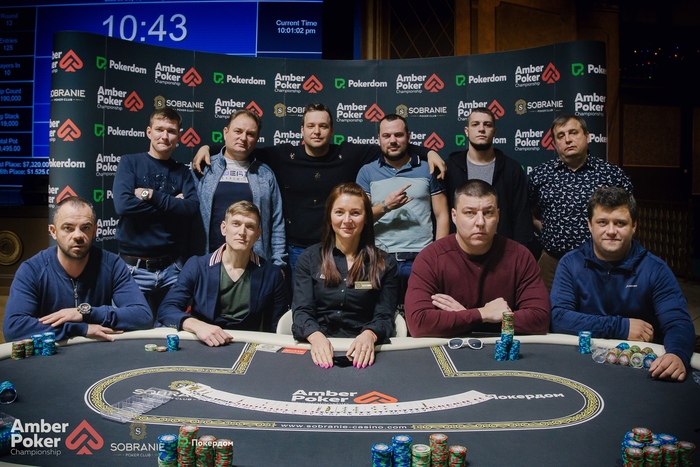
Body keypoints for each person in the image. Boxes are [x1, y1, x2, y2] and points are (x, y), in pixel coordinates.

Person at [193, 103, 446, 284]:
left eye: (323, 126)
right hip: (295, 249)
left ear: (332, 131)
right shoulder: (282, 155)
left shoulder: (349, 154)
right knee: (299, 306)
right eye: (311, 126)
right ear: (301, 130)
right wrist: (208, 147)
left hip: (338, 248)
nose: (317, 131)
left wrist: (428, 153)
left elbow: (392, 146)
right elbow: (241, 147)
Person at [550, 187, 695, 382]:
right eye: (602, 222)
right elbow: (559, 319)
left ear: (634, 226)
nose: (611, 231)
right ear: (590, 225)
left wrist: (677, 354)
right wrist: (621, 327)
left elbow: (678, 322)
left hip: (641, 368)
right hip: (583, 365)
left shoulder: (655, 269)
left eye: (620, 223)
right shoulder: (570, 264)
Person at [404, 180, 550, 338]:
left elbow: (540, 319)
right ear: (454, 216)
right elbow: (418, 323)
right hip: (452, 348)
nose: (480, 222)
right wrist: (482, 314)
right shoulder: (431, 258)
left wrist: (467, 318)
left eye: (488, 213)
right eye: (470, 213)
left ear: (498, 216)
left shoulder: (520, 256)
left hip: (502, 349)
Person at [3, 196, 153, 342]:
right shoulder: (32, 270)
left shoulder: (112, 264)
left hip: (97, 352)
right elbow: (14, 328)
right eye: (68, 228)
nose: (78, 235)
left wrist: (86, 312)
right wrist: (79, 328)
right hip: (53, 353)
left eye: (85, 228)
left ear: (95, 230)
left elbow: (143, 316)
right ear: (53, 231)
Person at [292, 182, 398, 369]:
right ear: (329, 216)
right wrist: (315, 336)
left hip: (364, 348)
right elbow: (301, 311)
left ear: (366, 218)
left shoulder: (385, 263)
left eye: (355, 213)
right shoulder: (309, 259)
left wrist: (370, 334)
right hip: (318, 345)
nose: (347, 220)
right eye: (339, 212)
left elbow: (384, 315)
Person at [158, 201, 287, 347]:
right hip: (203, 341)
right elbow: (166, 309)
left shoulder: (272, 274)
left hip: (245, 344)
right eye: (236, 224)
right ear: (224, 228)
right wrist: (197, 325)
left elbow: (277, 326)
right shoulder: (197, 266)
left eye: (250, 226)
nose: (242, 232)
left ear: (258, 234)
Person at [528, 114, 633, 290]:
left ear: (587, 137)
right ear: (554, 144)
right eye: (561, 136)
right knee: (549, 306)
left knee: (599, 306)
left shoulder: (612, 175)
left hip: (601, 263)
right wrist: (545, 229)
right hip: (553, 262)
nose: (568, 140)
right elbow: (531, 211)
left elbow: (628, 214)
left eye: (573, 133)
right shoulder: (540, 175)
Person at [113, 108, 200, 313]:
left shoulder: (182, 172)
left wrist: (151, 195)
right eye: (160, 129)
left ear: (178, 137)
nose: (165, 136)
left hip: (171, 269)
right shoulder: (130, 162)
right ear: (149, 132)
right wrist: (173, 204)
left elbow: (191, 208)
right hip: (133, 270)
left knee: (172, 327)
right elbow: (123, 205)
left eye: (171, 131)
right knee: (129, 326)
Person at [356, 114, 449, 304]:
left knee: (420, 312)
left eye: (398, 135)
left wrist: (437, 256)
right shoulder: (367, 172)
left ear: (408, 137)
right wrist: (386, 206)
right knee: (380, 313)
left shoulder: (428, 169)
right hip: (379, 259)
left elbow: (442, 215)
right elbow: (360, 218)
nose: (392, 140)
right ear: (379, 139)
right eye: (386, 136)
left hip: (421, 259)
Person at [194, 109, 286, 271]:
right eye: (238, 131)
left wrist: (279, 263)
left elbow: (276, 222)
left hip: (254, 267)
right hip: (208, 264)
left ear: (257, 139)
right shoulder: (205, 169)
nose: (243, 138)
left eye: (250, 134)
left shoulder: (265, 175)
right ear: (226, 132)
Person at [444, 107, 532, 246]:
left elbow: (521, 216)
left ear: (494, 131)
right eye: (475, 124)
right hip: (460, 249)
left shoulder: (512, 169)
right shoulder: (450, 167)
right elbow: (443, 215)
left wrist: (519, 252)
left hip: (501, 249)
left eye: (487, 124)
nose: (481, 129)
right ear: (466, 131)